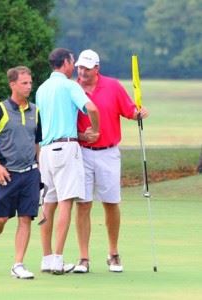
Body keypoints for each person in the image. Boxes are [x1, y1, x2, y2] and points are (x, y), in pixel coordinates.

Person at [73, 49, 149, 273]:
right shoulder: (72, 87)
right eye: (80, 67)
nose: (82, 71)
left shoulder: (113, 86)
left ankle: (113, 253)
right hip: (82, 152)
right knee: (83, 203)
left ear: (97, 69)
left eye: (87, 68)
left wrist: (138, 113)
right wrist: (81, 136)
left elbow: (129, 110)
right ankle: (83, 258)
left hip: (108, 152)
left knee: (111, 202)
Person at [36, 48, 100, 275]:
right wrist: (96, 129)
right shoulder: (70, 85)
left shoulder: (41, 89)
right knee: (66, 201)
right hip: (66, 149)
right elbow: (91, 107)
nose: (74, 66)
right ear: (65, 63)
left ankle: (46, 257)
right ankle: (58, 259)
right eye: (72, 62)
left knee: (48, 203)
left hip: (46, 151)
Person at [0, 66, 42, 279]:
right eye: (24, 83)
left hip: (30, 173)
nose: (29, 86)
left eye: (30, 82)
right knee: (0, 219)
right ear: (13, 84)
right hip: (6, 173)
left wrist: (39, 169)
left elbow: (37, 142)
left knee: (26, 218)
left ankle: (18, 264)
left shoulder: (35, 110)